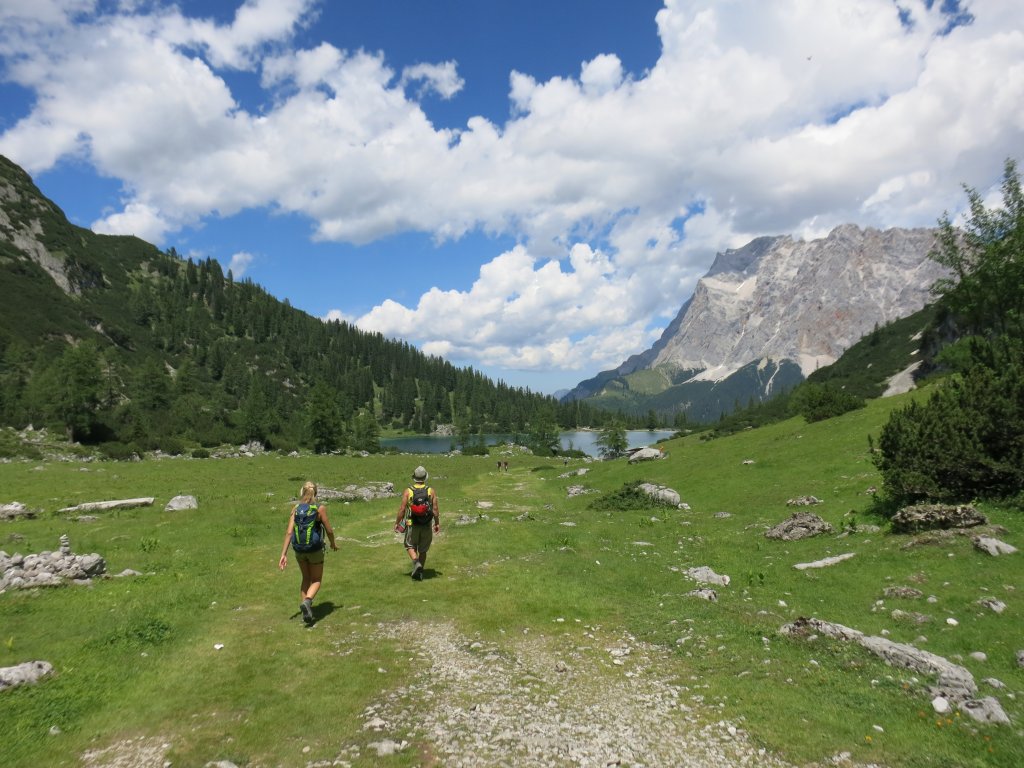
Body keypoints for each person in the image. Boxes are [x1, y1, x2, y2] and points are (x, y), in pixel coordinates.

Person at [279, 481, 338, 623]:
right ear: (315, 493)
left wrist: (283, 554)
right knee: (316, 579)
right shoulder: (319, 508)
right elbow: (329, 530)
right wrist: (333, 544)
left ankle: (306, 611)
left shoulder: (296, 508)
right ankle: (307, 602)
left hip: (299, 549)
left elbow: (289, 532)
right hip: (314, 549)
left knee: (306, 577)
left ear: (302, 492)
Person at [394, 465, 440, 580]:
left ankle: (416, 562)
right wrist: (437, 523)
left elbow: (402, 509)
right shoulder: (431, 491)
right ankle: (420, 573)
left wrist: (397, 522)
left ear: (414, 477)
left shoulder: (408, 491)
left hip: (411, 523)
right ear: (425, 477)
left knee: (409, 545)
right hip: (426, 524)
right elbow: (435, 509)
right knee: (423, 550)